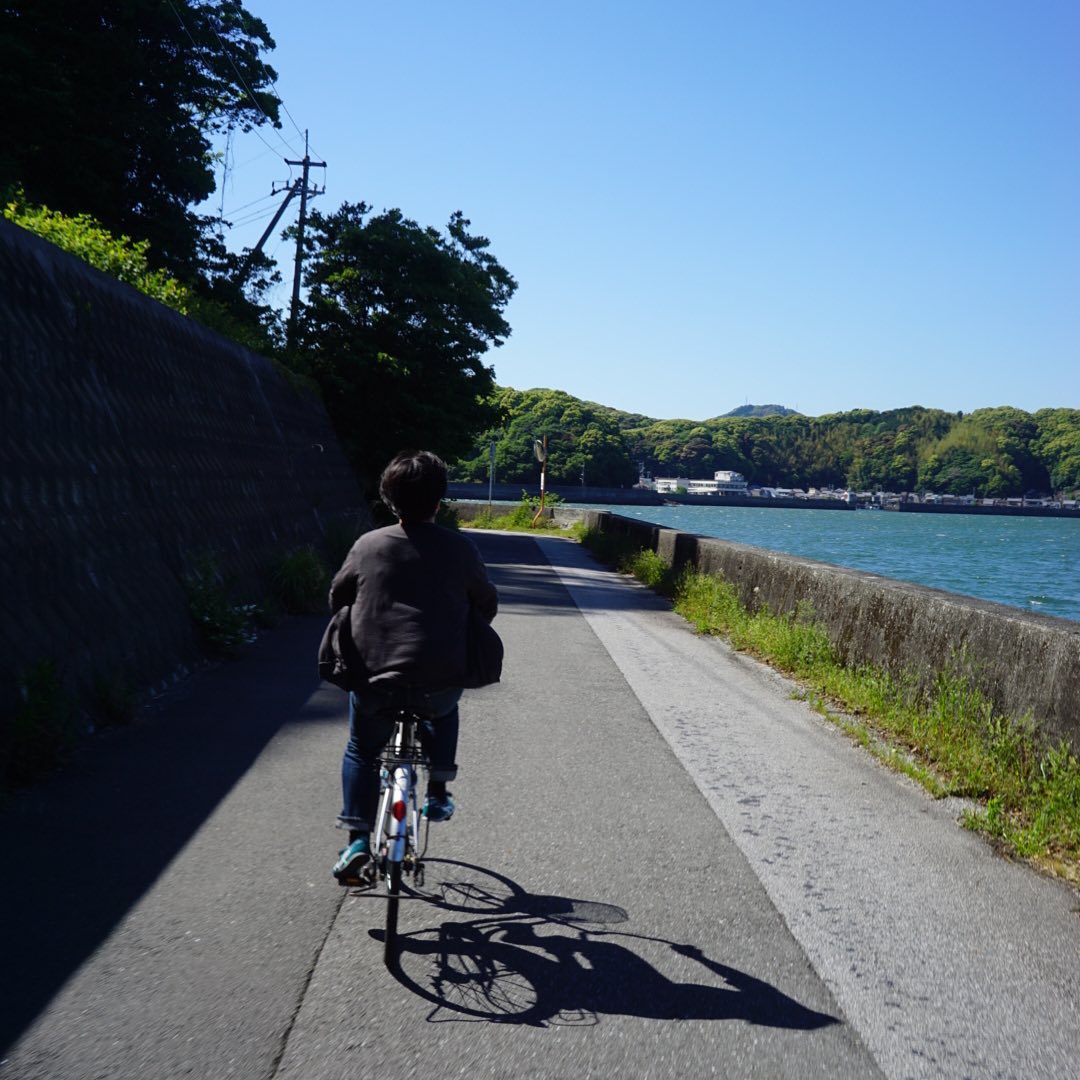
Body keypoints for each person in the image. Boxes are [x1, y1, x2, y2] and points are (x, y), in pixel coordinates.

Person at [327, 450, 498, 882]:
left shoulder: (369, 545)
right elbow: (486, 603)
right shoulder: (460, 548)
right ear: (440, 499)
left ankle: (357, 843)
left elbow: (337, 598)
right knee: (444, 702)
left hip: (375, 680)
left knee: (362, 750)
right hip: (437, 680)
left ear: (389, 498)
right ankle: (438, 790)